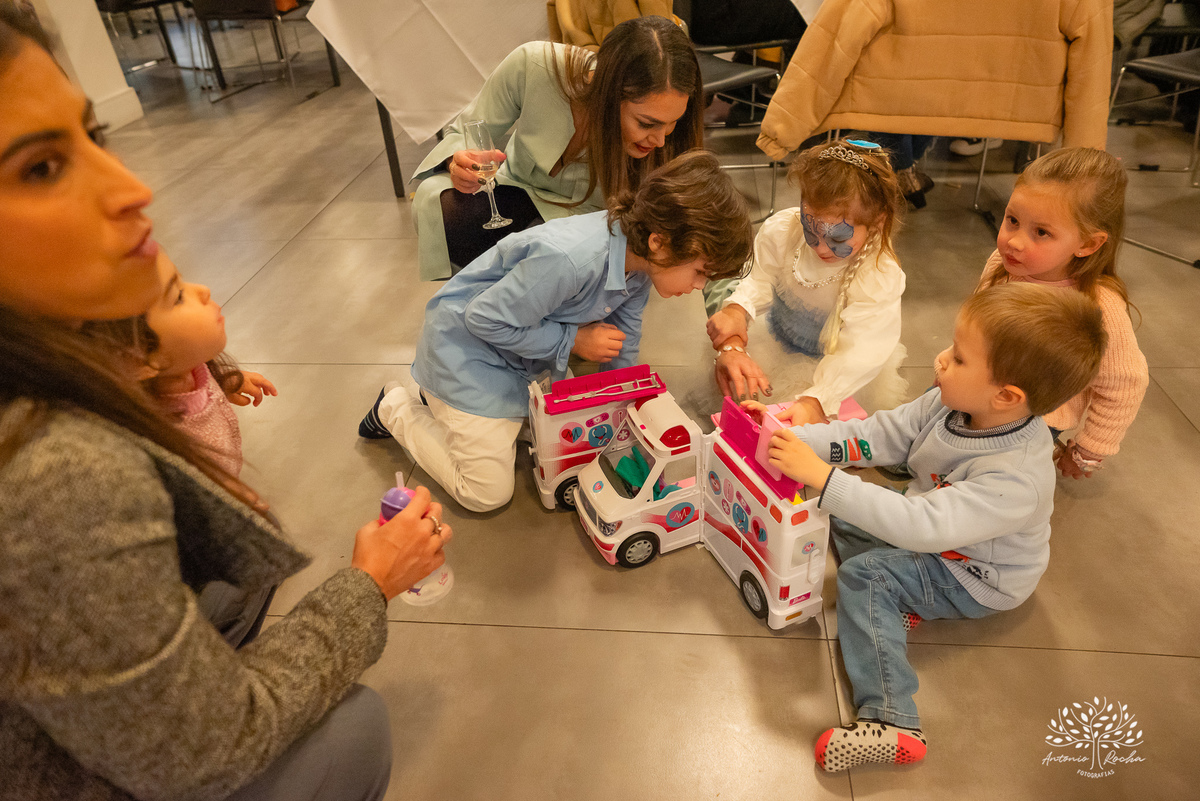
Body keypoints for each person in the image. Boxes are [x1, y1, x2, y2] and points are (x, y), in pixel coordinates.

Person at [0, 7, 448, 800]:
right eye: (39, 167)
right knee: (357, 726)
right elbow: (207, 750)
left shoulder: (71, 369)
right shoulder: (53, 475)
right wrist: (367, 585)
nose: (133, 188)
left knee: (233, 575)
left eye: (92, 138)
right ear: (137, 359)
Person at [751, 282, 1107, 771]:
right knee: (843, 514)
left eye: (960, 359)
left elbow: (919, 527)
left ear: (1006, 395)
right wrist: (794, 439)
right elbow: (877, 435)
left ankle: (893, 719)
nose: (941, 360)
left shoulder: (1016, 476)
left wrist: (823, 477)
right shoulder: (952, 404)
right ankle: (899, 604)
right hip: (935, 529)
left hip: (977, 576)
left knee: (866, 575)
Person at [359, 151, 754, 513]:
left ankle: (443, 406)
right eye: (701, 271)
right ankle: (396, 406)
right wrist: (573, 340)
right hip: (465, 355)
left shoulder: (643, 264)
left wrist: (622, 403)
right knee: (487, 493)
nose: (700, 286)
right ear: (659, 242)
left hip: (517, 358)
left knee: (564, 442)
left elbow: (624, 340)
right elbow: (482, 319)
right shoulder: (570, 260)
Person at [412, 15, 704, 281]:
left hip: (590, 235)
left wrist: (732, 307)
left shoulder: (667, 139)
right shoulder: (534, 67)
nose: (661, 140)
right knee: (436, 199)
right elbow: (465, 132)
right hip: (516, 199)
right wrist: (459, 162)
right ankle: (484, 304)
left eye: (672, 123)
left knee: (554, 269)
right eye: (646, 123)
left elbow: (701, 219)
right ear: (607, 92)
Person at [705, 139, 907, 426]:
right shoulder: (782, 230)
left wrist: (819, 398)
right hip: (775, 340)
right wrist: (738, 310)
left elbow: (863, 348)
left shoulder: (878, 275)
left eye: (837, 238)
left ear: (877, 220)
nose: (822, 248)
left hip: (834, 370)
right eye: (810, 229)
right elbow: (760, 278)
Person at [977, 147, 1149, 478]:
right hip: (974, 394)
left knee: (978, 484)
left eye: (1040, 232)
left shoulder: (1099, 306)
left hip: (1030, 422)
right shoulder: (1000, 266)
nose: (1014, 241)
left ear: (1088, 244)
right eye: (1012, 220)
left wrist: (1088, 450)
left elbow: (1124, 385)